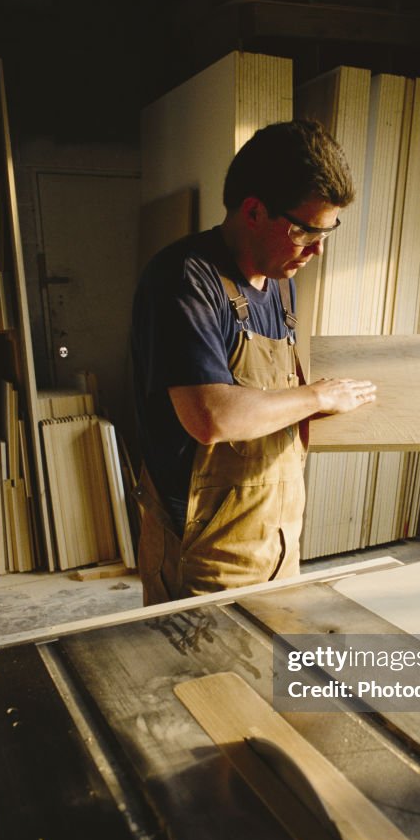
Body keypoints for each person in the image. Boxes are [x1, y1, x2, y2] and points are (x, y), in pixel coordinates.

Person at [131, 119, 376, 604]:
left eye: (328, 231)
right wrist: (317, 394)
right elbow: (212, 417)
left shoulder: (279, 278)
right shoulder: (186, 280)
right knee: (202, 678)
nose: (318, 251)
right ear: (254, 211)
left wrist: (316, 404)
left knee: (270, 671)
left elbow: (271, 399)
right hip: (205, 550)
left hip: (276, 536)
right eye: (306, 231)